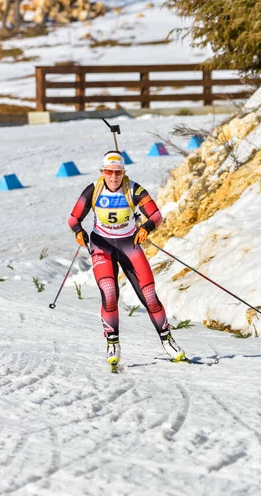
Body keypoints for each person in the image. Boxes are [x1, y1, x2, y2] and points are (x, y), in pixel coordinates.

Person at [68, 150, 185, 368]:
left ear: (124, 172)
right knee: (109, 292)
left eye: (118, 172)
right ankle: (112, 343)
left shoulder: (134, 189)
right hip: (102, 246)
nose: (113, 177)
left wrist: (146, 228)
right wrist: (78, 231)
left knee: (149, 294)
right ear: (103, 171)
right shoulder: (94, 190)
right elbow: (74, 217)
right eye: (109, 172)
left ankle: (167, 340)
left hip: (128, 245)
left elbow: (156, 215)